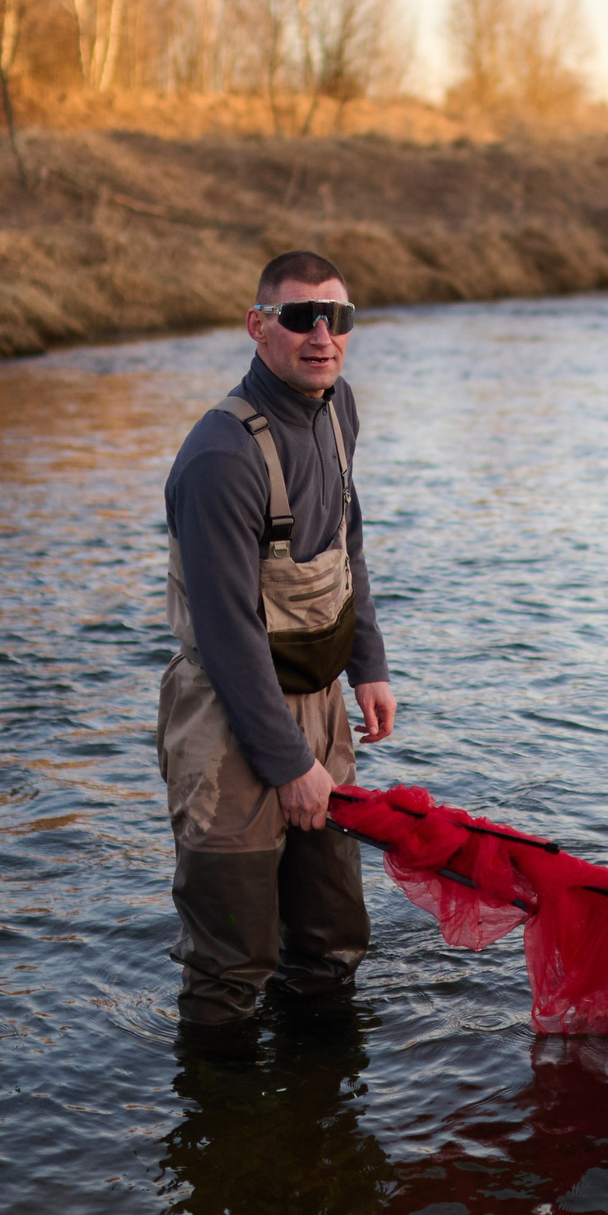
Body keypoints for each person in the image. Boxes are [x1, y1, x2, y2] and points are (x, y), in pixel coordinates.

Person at [159, 250, 396, 1035]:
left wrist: (368, 664)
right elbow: (227, 633)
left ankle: (319, 1132)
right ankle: (228, 1141)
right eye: (301, 317)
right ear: (258, 327)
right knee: (231, 968)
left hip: (321, 704)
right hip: (230, 720)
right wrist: (290, 764)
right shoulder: (221, 456)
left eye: (339, 317)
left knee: (330, 947)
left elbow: (347, 538)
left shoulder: (338, 407)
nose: (322, 334)